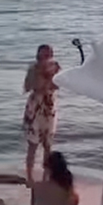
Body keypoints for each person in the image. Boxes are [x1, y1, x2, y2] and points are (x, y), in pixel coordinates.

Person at [23, 44, 61, 186]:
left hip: (49, 108)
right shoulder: (33, 68)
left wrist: (49, 77)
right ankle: (29, 177)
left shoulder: (56, 67)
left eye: (49, 54)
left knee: (48, 145)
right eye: (43, 55)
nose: (46, 57)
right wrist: (39, 75)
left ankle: (46, 176)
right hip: (35, 108)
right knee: (32, 145)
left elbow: (58, 85)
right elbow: (27, 87)